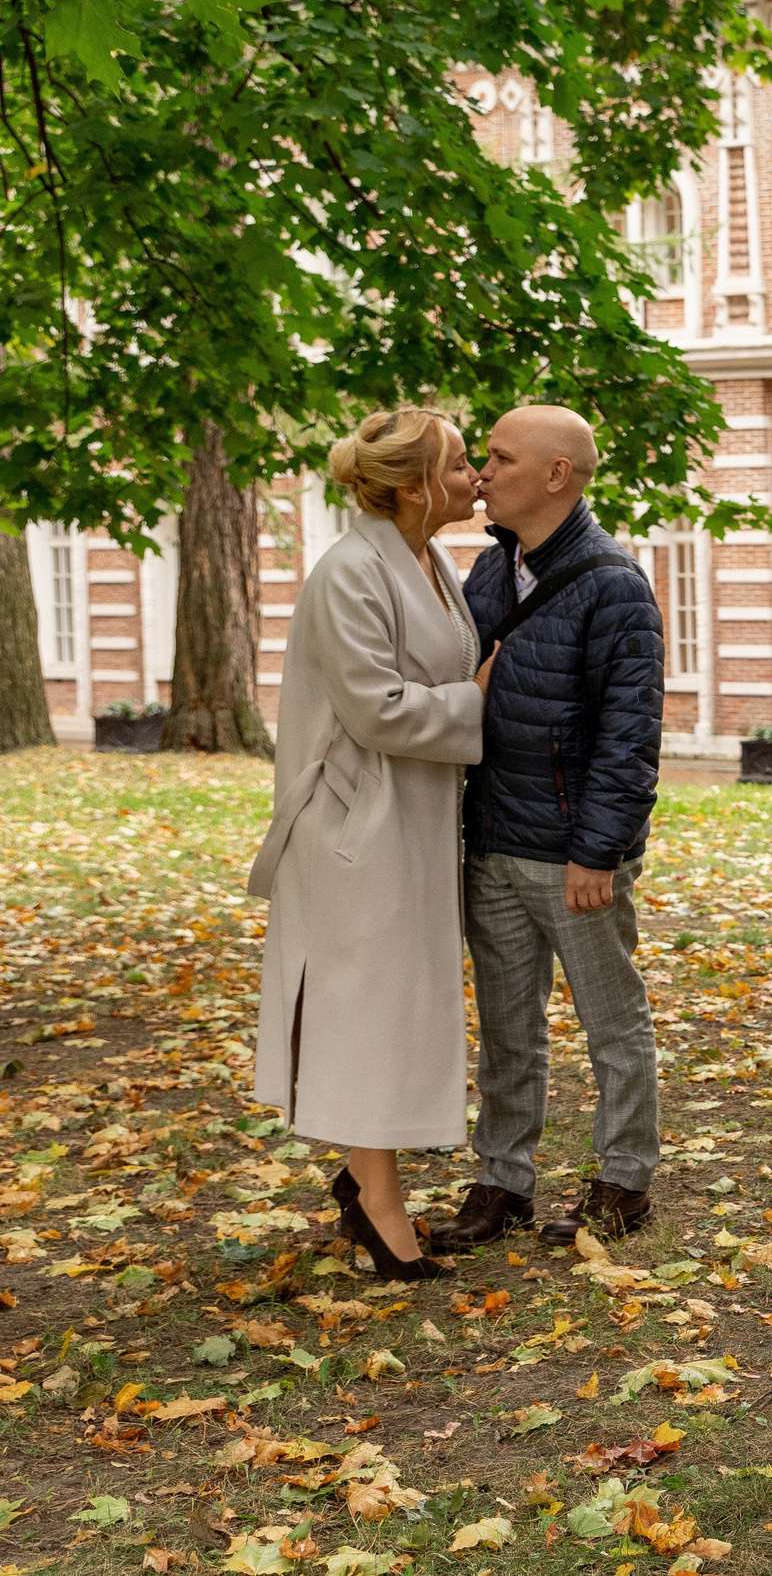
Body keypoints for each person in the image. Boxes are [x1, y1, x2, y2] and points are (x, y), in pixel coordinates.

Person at [248, 408, 492, 1281]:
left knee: (401, 1003)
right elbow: (375, 709)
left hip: (415, 818)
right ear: (412, 486)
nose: (475, 479)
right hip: (353, 825)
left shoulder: (431, 562)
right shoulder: (349, 572)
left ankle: (363, 1181)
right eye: (461, 465)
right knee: (367, 1009)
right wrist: (477, 699)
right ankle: (378, 1204)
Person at [432, 406, 668, 1253]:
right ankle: (502, 1181)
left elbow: (629, 734)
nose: (482, 473)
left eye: (498, 458)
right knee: (507, 1030)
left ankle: (624, 1181)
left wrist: (597, 850)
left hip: (573, 855)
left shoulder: (613, 583)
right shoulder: (491, 574)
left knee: (612, 1023)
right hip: (490, 844)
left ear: (557, 474)